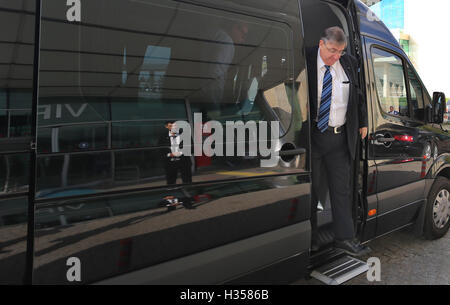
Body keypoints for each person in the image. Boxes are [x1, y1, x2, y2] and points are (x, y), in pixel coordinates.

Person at [306, 26, 370, 256]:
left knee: (341, 191)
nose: (336, 57)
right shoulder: (305, 58)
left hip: (340, 138)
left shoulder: (349, 63)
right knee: (311, 192)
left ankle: (344, 238)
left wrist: (362, 121)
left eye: (340, 52)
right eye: (332, 51)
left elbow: (358, 95)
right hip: (313, 137)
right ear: (322, 43)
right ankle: (310, 241)